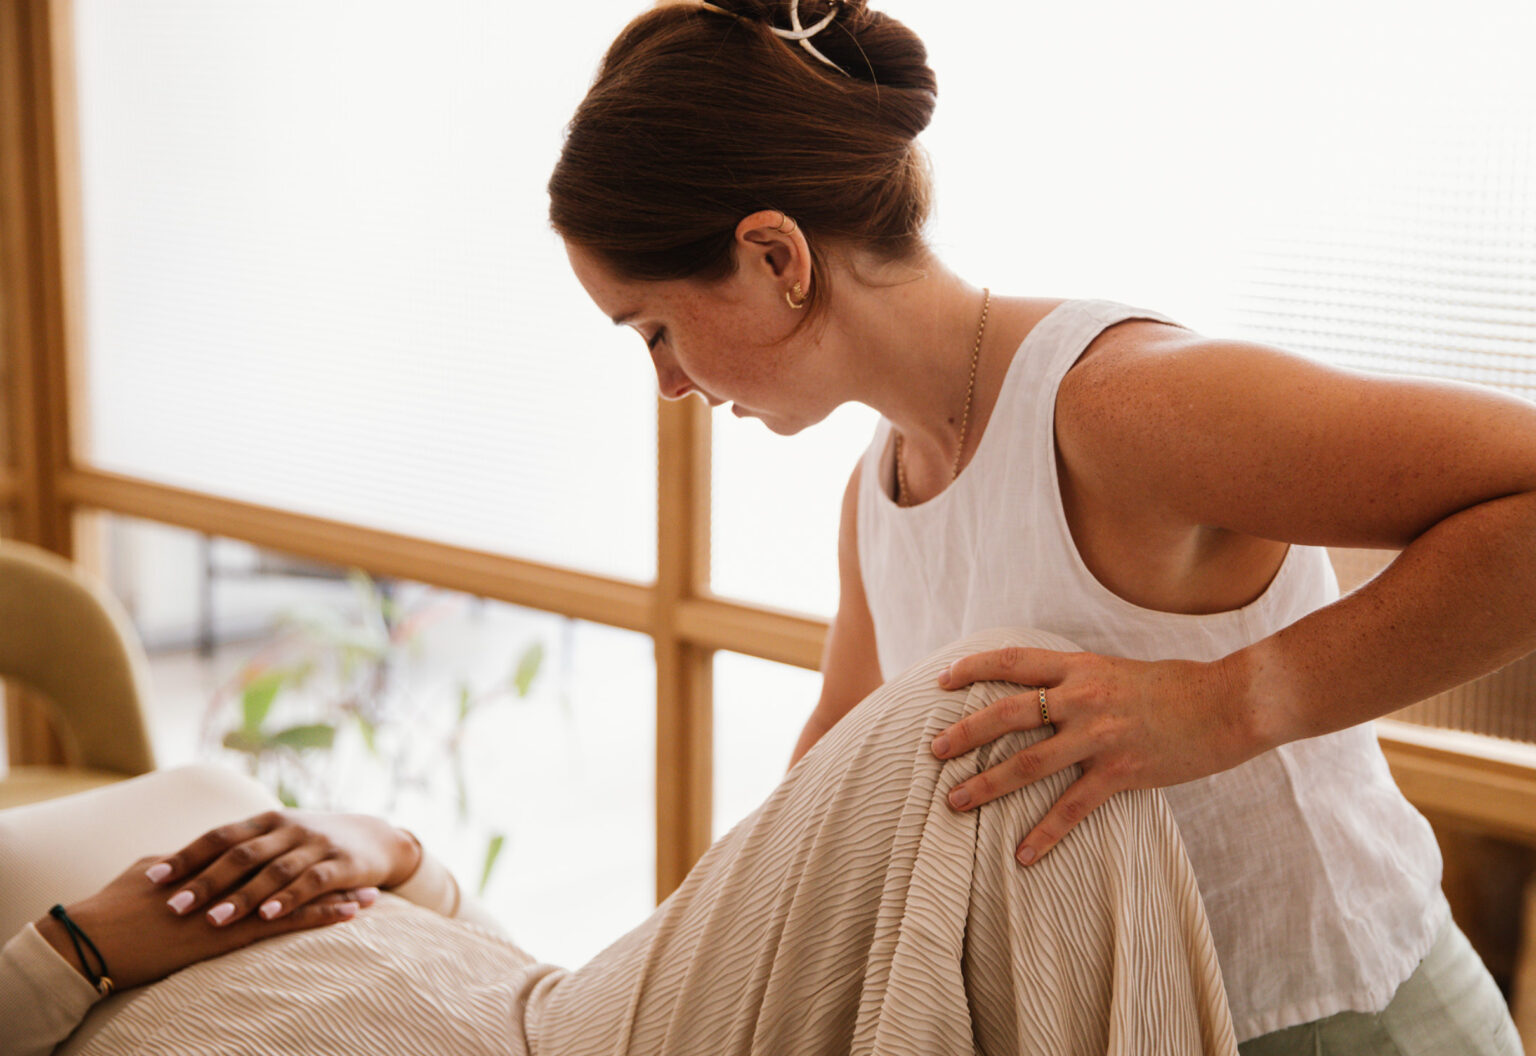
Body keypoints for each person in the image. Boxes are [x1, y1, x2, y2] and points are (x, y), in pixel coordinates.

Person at [545, 1, 1533, 1053]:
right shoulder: (878, 496)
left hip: (1341, 1020)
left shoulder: (1114, 407)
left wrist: (1227, 701)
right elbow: (829, 778)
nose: (665, 384)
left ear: (776, 257)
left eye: (655, 329)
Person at [4, 628, 1238, 1055]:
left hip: (555, 1019)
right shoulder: (51, 944)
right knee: (986, 724)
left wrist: (390, 851)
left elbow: (494, 964)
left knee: (1013, 732)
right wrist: (85, 947)